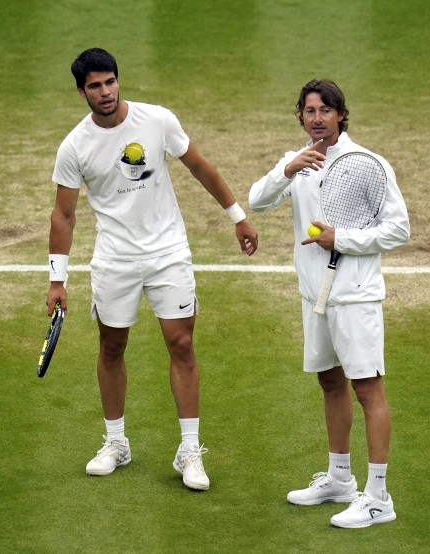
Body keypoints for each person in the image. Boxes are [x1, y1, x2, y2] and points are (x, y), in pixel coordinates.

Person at [46, 48, 258, 491]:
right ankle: (116, 442)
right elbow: (64, 215)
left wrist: (237, 216)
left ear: (118, 80)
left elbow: (199, 166)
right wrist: (57, 278)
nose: (105, 92)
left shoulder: (158, 120)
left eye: (110, 82)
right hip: (114, 260)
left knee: (181, 344)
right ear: (82, 92)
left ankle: (189, 451)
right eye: (95, 86)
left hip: (168, 253)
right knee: (111, 347)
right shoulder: (75, 146)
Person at [248, 79, 409, 527]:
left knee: (367, 389)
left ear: (340, 114)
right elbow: (257, 202)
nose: (317, 118)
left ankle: (378, 497)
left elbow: (399, 228)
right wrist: (287, 169)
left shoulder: (367, 164)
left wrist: (344, 239)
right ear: (300, 115)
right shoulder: (296, 162)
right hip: (313, 294)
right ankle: (340, 479)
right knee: (329, 382)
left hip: (354, 296)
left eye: (325, 110)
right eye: (309, 110)